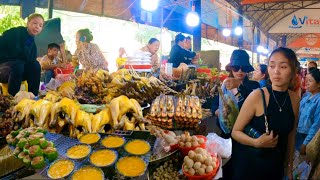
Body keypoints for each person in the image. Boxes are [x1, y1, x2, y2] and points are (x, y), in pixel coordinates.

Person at [231, 47, 300, 180]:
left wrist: (289, 167)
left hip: (276, 167)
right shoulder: (257, 96)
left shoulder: (295, 99)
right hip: (250, 167)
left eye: (283, 67)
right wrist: (256, 142)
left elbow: (291, 135)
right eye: (272, 65)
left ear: (292, 71)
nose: (276, 71)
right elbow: (236, 132)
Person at [214, 49, 260, 180]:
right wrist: (219, 112)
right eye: (236, 67)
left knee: (241, 169)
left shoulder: (253, 85)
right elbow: (214, 105)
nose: (239, 71)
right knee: (226, 168)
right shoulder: (224, 84)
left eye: (243, 68)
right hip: (226, 135)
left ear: (247, 69)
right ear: (230, 68)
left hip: (244, 136)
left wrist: (238, 85)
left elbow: (250, 98)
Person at [0, 13, 44, 96]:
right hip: (3, 69)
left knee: (35, 65)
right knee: (18, 65)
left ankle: (33, 96)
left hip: (18, 71)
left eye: (40, 25)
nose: (37, 26)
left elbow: (30, 63)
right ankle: (12, 99)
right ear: (27, 23)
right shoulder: (15, 33)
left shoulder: (33, 45)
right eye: (35, 23)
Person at [295, 68, 320, 155]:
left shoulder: (318, 100)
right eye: (306, 80)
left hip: (308, 137)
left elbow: (316, 125)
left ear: (319, 84)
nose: (307, 83)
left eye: (310, 81)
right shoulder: (306, 97)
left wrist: (305, 143)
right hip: (298, 134)